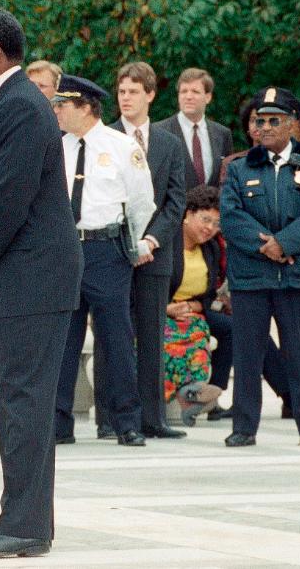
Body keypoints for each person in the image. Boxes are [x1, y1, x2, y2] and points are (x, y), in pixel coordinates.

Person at [0, 7, 82, 559]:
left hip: (31, 277)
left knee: (25, 402)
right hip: (21, 277)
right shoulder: (8, 104)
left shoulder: (23, 108)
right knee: (17, 402)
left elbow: (9, 198)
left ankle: (26, 526)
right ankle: (19, 516)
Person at [220, 87, 300, 448]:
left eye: (273, 120)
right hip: (251, 275)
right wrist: (265, 245)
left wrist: (284, 243)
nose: (264, 127)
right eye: (259, 121)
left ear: (292, 124)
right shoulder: (238, 168)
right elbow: (231, 215)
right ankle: (244, 427)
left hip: (298, 273)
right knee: (249, 353)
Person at [52, 74, 156, 448]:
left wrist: (131, 242)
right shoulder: (55, 148)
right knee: (63, 340)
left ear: (85, 107)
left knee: (115, 338)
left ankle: (126, 421)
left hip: (106, 250)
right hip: (65, 251)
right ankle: (59, 422)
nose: (58, 112)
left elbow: (142, 202)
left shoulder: (122, 146)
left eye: (63, 105)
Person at [109, 61, 186, 439]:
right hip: (114, 253)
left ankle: (154, 418)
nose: (126, 99)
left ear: (150, 95)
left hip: (156, 255)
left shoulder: (170, 144)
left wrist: (151, 240)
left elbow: (175, 201)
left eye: (133, 92)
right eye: (122, 91)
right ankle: (112, 418)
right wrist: (129, 243)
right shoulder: (105, 138)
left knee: (152, 336)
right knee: (115, 335)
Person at [165, 185, 225, 425]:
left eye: (216, 223)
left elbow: (212, 291)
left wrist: (197, 306)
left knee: (200, 340)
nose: (210, 228)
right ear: (187, 214)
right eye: (205, 220)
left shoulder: (211, 248)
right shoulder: (167, 241)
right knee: (172, 343)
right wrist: (166, 308)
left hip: (193, 315)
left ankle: (195, 392)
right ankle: (188, 395)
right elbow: (144, 287)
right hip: (162, 312)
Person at [154, 68, 233, 189]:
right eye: (184, 91)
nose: (188, 96)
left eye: (195, 91)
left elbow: (227, 180)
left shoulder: (222, 134)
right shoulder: (159, 132)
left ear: (208, 97)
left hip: (214, 206)